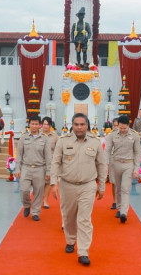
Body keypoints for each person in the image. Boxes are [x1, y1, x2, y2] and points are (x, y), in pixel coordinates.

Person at [50, 113, 106, 266]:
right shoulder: (63, 141)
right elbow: (55, 162)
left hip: (88, 185)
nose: (79, 127)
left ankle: (83, 252)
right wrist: (53, 183)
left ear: (87, 125)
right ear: (72, 125)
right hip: (67, 185)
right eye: (76, 124)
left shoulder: (95, 142)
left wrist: (101, 186)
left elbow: (101, 164)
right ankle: (70, 240)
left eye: (82, 124)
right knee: (68, 217)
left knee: (84, 219)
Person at [15, 115, 52, 221]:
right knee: (24, 190)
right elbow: (19, 155)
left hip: (39, 168)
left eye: (36, 124)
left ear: (40, 125)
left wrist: (49, 171)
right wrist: (17, 169)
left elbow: (48, 156)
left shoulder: (44, 139)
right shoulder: (23, 137)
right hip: (26, 168)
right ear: (29, 124)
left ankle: (35, 212)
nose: (34, 126)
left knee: (38, 191)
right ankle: (27, 205)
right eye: (32, 124)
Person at [105, 115, 141, 223]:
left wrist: (136, 168)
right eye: (120, 128)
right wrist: (105, 164)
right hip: (116, 164)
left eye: (124, 128)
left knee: (125, 188)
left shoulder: (134, 135)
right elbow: (107, 150)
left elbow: (137, 152)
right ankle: (119, 208)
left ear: (128, 126)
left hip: (128, 164)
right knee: (118, 187)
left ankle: (124, 212)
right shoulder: (112, 135)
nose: (122, 130)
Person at [41, 116, 59, 209]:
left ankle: (45, 200)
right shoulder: (38, 134)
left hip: (50, 163)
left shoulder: (55, 136)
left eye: (47, 124)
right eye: (44, 124)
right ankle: (39, 198)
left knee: (48, 182)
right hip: (39, 162)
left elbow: (58, 150)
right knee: (39, 182)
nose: (45, 126)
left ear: (50, 125)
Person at [108, 118, 119, 210]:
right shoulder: (110, 135)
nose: (115, 127)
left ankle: (120, 201)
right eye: (114, 125)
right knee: (113, 182)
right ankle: (114, 201)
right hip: (112, 159)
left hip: (122, 159)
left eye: (117, 125)